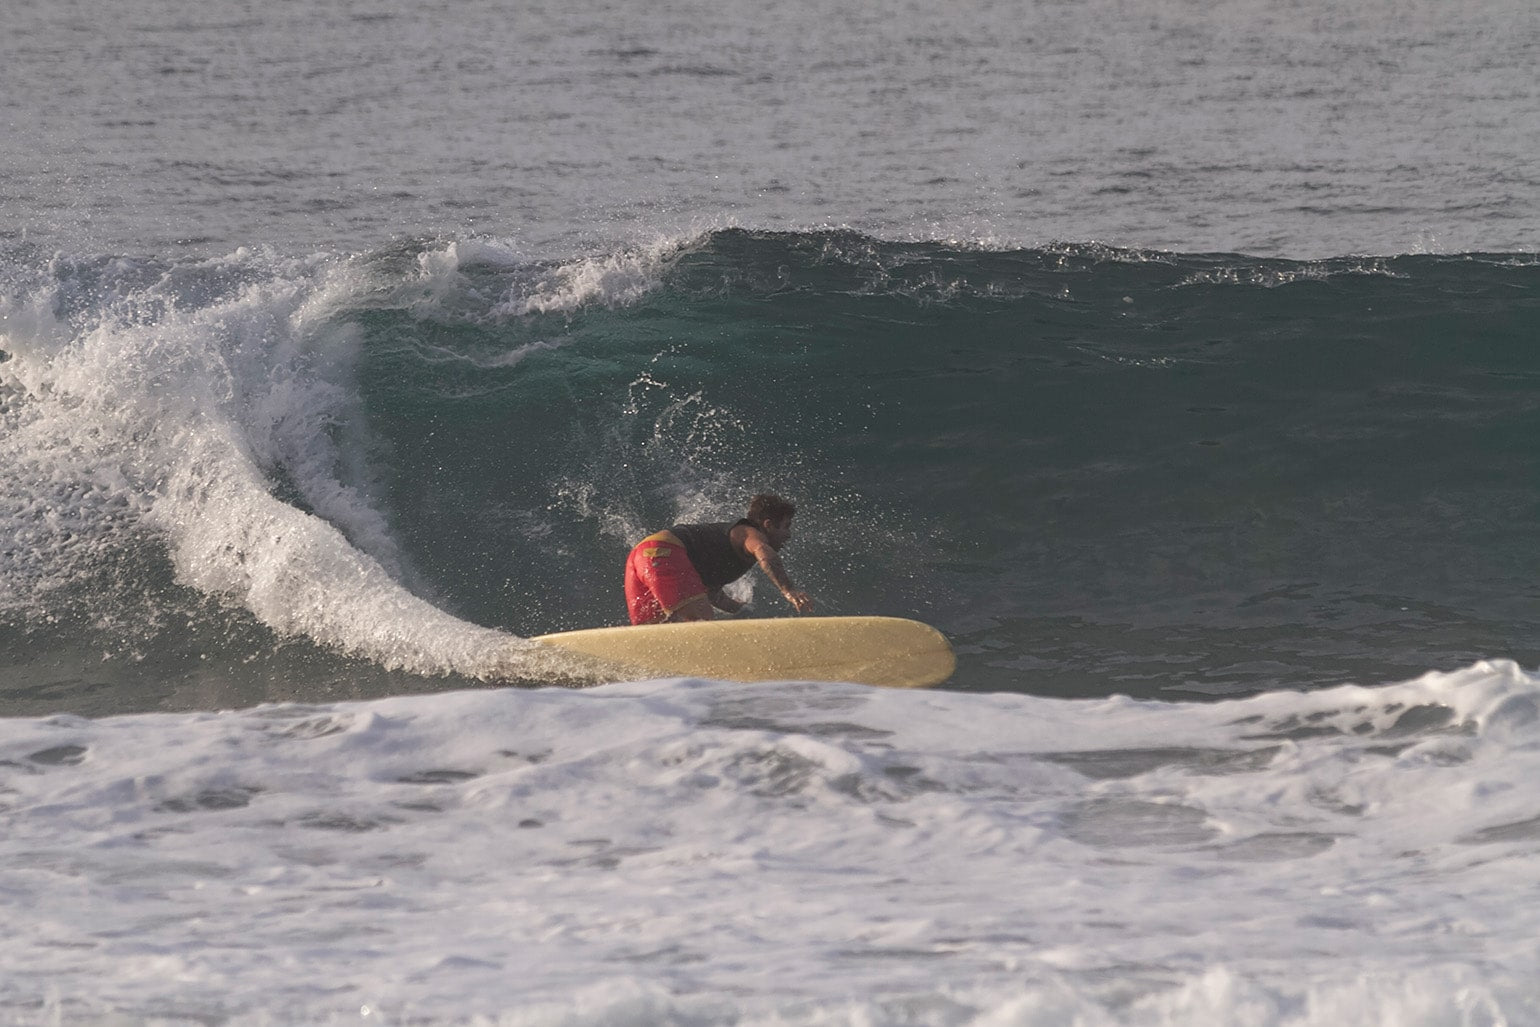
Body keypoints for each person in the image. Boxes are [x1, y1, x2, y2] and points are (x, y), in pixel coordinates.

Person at [624, 493, 815, 625]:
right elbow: (764, 552)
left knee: (652, 631)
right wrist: (789, 590)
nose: (788, 535)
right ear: (768, 525)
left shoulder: (721, 550)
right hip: (663, 552)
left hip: (642, 556)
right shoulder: (751, 534)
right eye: (786, 526)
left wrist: (732, 606)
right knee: (700, 619)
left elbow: (705, 589)